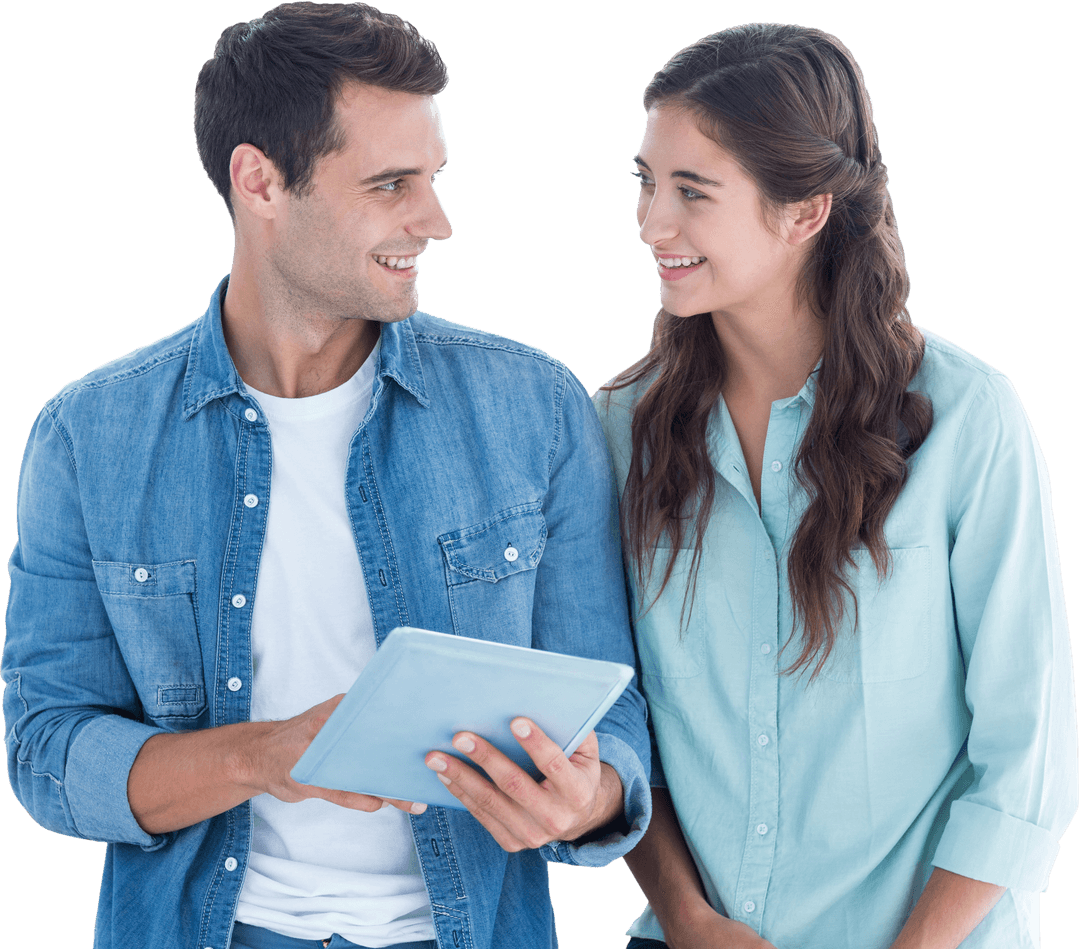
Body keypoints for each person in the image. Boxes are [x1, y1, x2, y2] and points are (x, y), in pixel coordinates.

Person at [1, 4, 651, 948]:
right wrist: (266, 756)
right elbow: (45, 750)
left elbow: (612, 703)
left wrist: (588, 797)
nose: (436, 221)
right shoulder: (88, 434)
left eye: (433, 179)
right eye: (391, 184)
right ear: (258, 181)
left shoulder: (533, 406)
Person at [593, 23, 1078, 949]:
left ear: (805, 209)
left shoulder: (968, 422)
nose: (654, 223)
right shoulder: (620, 431)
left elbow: (1029, 762)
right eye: (648, 182)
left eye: (693, 191)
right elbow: (621, 728)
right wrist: (687, 919)